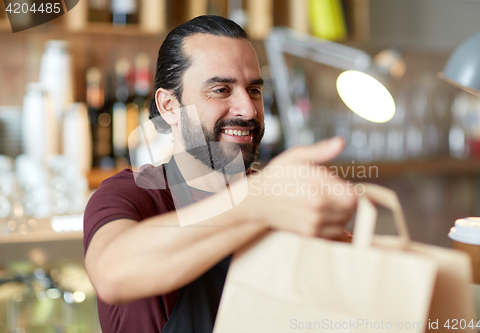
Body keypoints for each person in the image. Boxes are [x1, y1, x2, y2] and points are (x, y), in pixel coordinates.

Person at [84, 15, 357, 333]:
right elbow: (113, 273)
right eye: (221, 90)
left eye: (254, 90)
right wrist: (258, 202)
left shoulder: (281, 199)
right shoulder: (132, 194)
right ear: (169, 106)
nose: (248, 109)